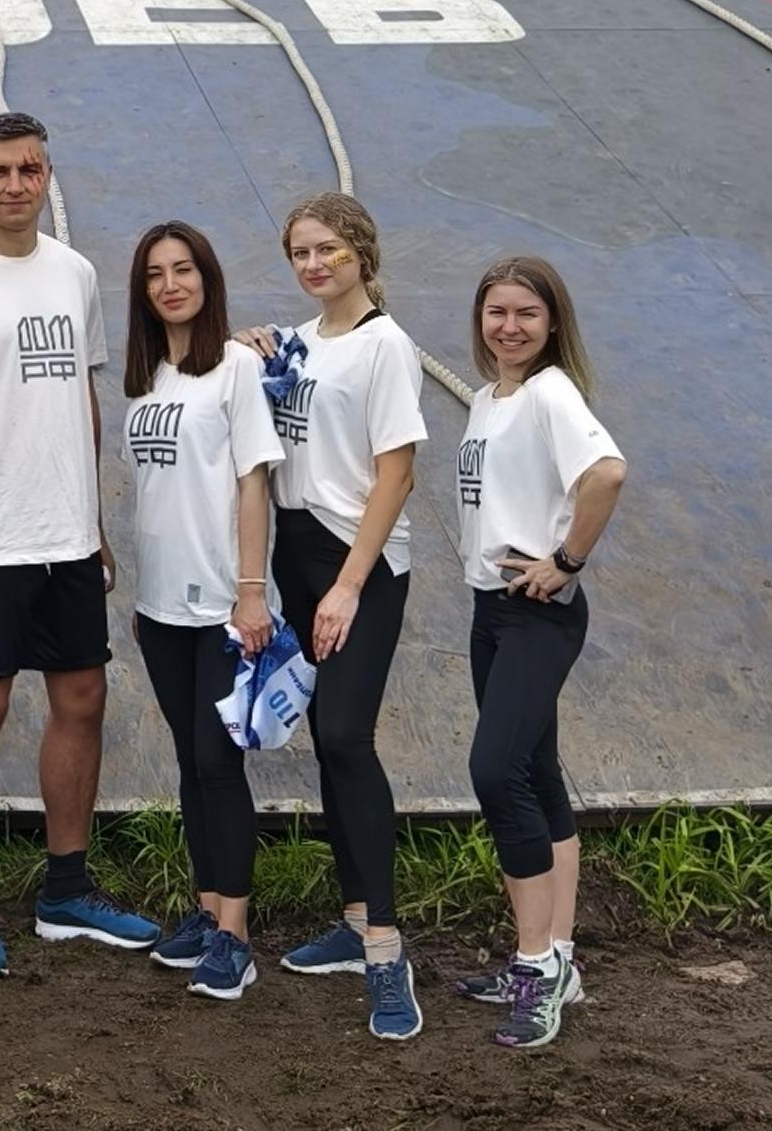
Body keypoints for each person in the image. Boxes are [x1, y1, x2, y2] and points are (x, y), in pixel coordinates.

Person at [0, 112, 159, 979]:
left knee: (82, 698)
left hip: (67, 539)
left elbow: (81, 398)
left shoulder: (74, 272)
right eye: (0, 170)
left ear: (48, 176)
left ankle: (66, 891)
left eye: (31, 169)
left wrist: (92, 520)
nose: (16, 184)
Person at [236, 194, 425, 1041]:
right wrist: (251, 350)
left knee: (348, 736)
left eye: (328, 251)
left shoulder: (386, 346)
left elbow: (396, 474)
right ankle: (353, 922)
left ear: (362, 252)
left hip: (359, 562)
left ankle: (386, 947)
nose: (313, 265)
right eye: (300, 253)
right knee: (327, 739)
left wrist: (348, 587)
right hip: (297, 553)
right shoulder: (300, 342)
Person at [447, 257, 624, 1049]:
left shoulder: (551, 392)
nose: (510, 326)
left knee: (497, 773)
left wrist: (567, 560)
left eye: (526, 313)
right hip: (493, 609)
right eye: (497, 312)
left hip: (536, 612)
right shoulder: (490, 399)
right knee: (537, 773)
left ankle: (534, 968)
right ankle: (558, 957)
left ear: (553, 323)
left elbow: (606, 473)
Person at [118, 222, 282, 1000]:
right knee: (190, 761)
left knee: (219, 764)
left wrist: (250, 592)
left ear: (208, 279)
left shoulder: (236, 368)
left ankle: (236, 936)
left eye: (183, 269)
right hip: (160, 608)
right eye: (155, 274)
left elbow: (254, 483)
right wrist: (144, 594)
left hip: (222, 604)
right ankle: (207, 907)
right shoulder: (146, 378)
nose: (170, 284)